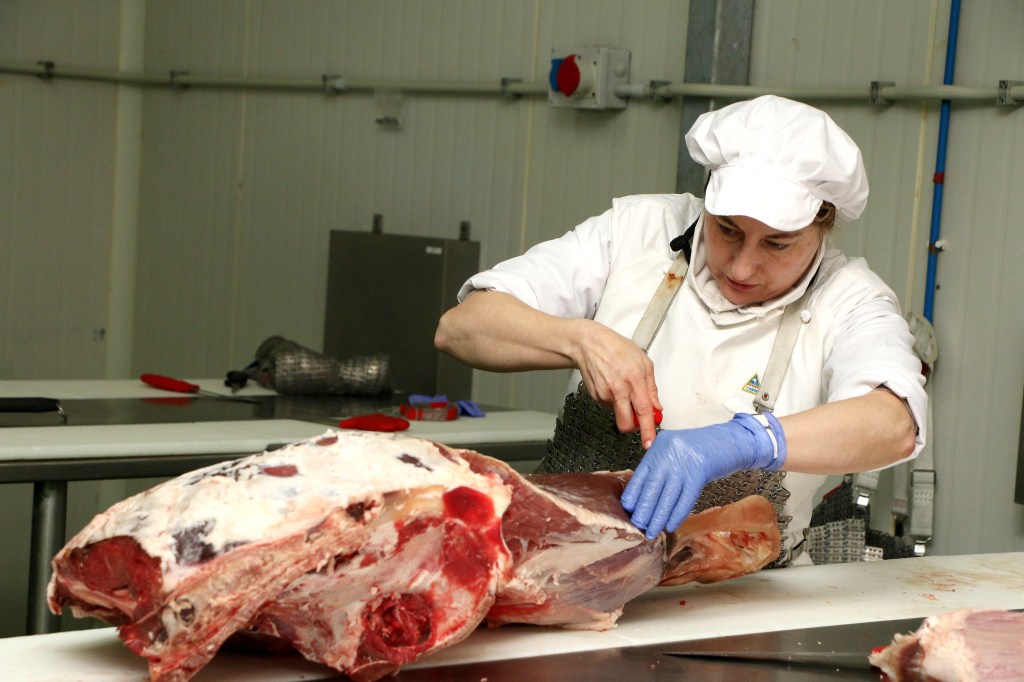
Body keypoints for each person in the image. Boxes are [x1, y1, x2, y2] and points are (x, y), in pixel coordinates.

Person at [434, 95, 927, 566]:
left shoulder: (852, 297)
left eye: (777, 245)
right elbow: (462, 328)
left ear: (825, 225)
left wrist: (747, 442)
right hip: (565, 562)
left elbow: (894, 424)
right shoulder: (636, 231)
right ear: (706, 198)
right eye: (727, 230)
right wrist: (581, 339)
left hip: (746, 593)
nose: (743, 265)